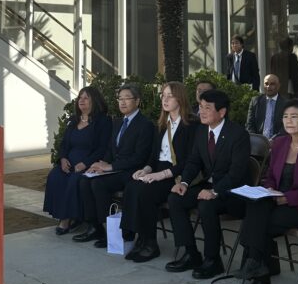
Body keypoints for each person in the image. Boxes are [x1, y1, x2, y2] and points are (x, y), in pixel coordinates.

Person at [235, 99, 298, 284]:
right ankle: (261, 271)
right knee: (254, 207)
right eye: (285, 116)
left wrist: (287, 198)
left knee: (260, 223)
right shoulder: (279, 143)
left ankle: (258, 273)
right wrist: (269, 188)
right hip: (276, 200)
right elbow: (270, 176)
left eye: (294, 116)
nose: (288, 121)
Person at [165, 89, 251, 278]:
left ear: (222, 112)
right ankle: (190, 253)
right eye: (200, 107)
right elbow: (194, 161)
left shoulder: (238, 134)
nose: (201, 112)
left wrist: (215, 191)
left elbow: (236, 173)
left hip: (233, 192)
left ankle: (213, 260)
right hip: (208, 187)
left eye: (207, 108)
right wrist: (185, 183)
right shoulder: (201, 130)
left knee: (206, 205)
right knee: (175, 198)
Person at [73, 83, 155, 248]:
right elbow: (111, 149)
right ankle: (94, 226)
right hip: (115, 168)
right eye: (120, 99)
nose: (123, 102)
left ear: (137, 101)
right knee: (84, 180)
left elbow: (139, 158)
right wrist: (100, 163)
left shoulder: (145, 124)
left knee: (98, 183)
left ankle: (109, 229)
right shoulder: (117, 122)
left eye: (127, 99)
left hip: (131, 171)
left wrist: (111, 167)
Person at [122, 82, 195, 262]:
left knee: (145, 192)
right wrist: (145, 170)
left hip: (176, 175)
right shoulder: (162, 124)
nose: (165, 99)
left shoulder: (192, 125)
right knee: (132, 187)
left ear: (180, 98)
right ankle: (139, 238)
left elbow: (188, 161)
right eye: (163, 95)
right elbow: (154, 157)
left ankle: (150, 244)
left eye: (170, 95)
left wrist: (160, 175)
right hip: (158, 170)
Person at [43, 86, 112, 234]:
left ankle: (66, 219)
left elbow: (102, 148)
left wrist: (86, 163)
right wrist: (62, 159)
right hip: (69, 163)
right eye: (80, 97)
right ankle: (67, 215)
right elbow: (64, 144)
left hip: (90, 163)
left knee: (75, 180)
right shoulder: (73, 121)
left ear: (95, 101)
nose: (82, 100)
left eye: (86, 98)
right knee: (55, 176)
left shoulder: (103, 122)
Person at [245, 74, 286, 138]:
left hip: (279, 141)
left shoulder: (286, 103)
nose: (268, 86)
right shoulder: (255, 101)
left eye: (272, 84)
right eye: (266, 84)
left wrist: (275, 140)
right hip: (258, 141)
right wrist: (256, 139)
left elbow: (285, 126)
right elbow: (249, 124)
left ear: (278, 86)